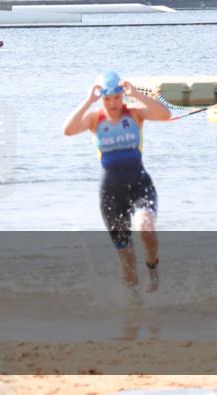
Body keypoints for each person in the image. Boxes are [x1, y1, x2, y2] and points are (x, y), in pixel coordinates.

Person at [63, 70, 171, 295]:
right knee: (127, 258)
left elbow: (165, 114)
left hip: (139, 183)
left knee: (145, 227)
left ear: (122, 95)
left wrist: (136, 94)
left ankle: (153, 268)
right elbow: (68, 130)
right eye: (107, 99)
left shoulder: (134, 114)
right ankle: (135, 305)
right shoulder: (94, 119)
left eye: (116, 98)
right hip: (111, 193)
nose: (113, 104)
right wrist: (88, 100)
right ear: (101, 98)